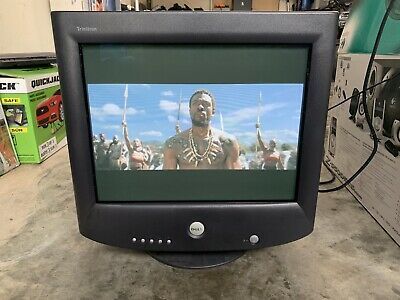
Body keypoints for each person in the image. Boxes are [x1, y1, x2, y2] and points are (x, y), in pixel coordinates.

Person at [163, 90, 241, 169]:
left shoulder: (228, 143)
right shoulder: (173, 144)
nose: (200, 107)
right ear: (189, 110)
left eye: (206, 104)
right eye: (195, 103)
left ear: (213, 111)